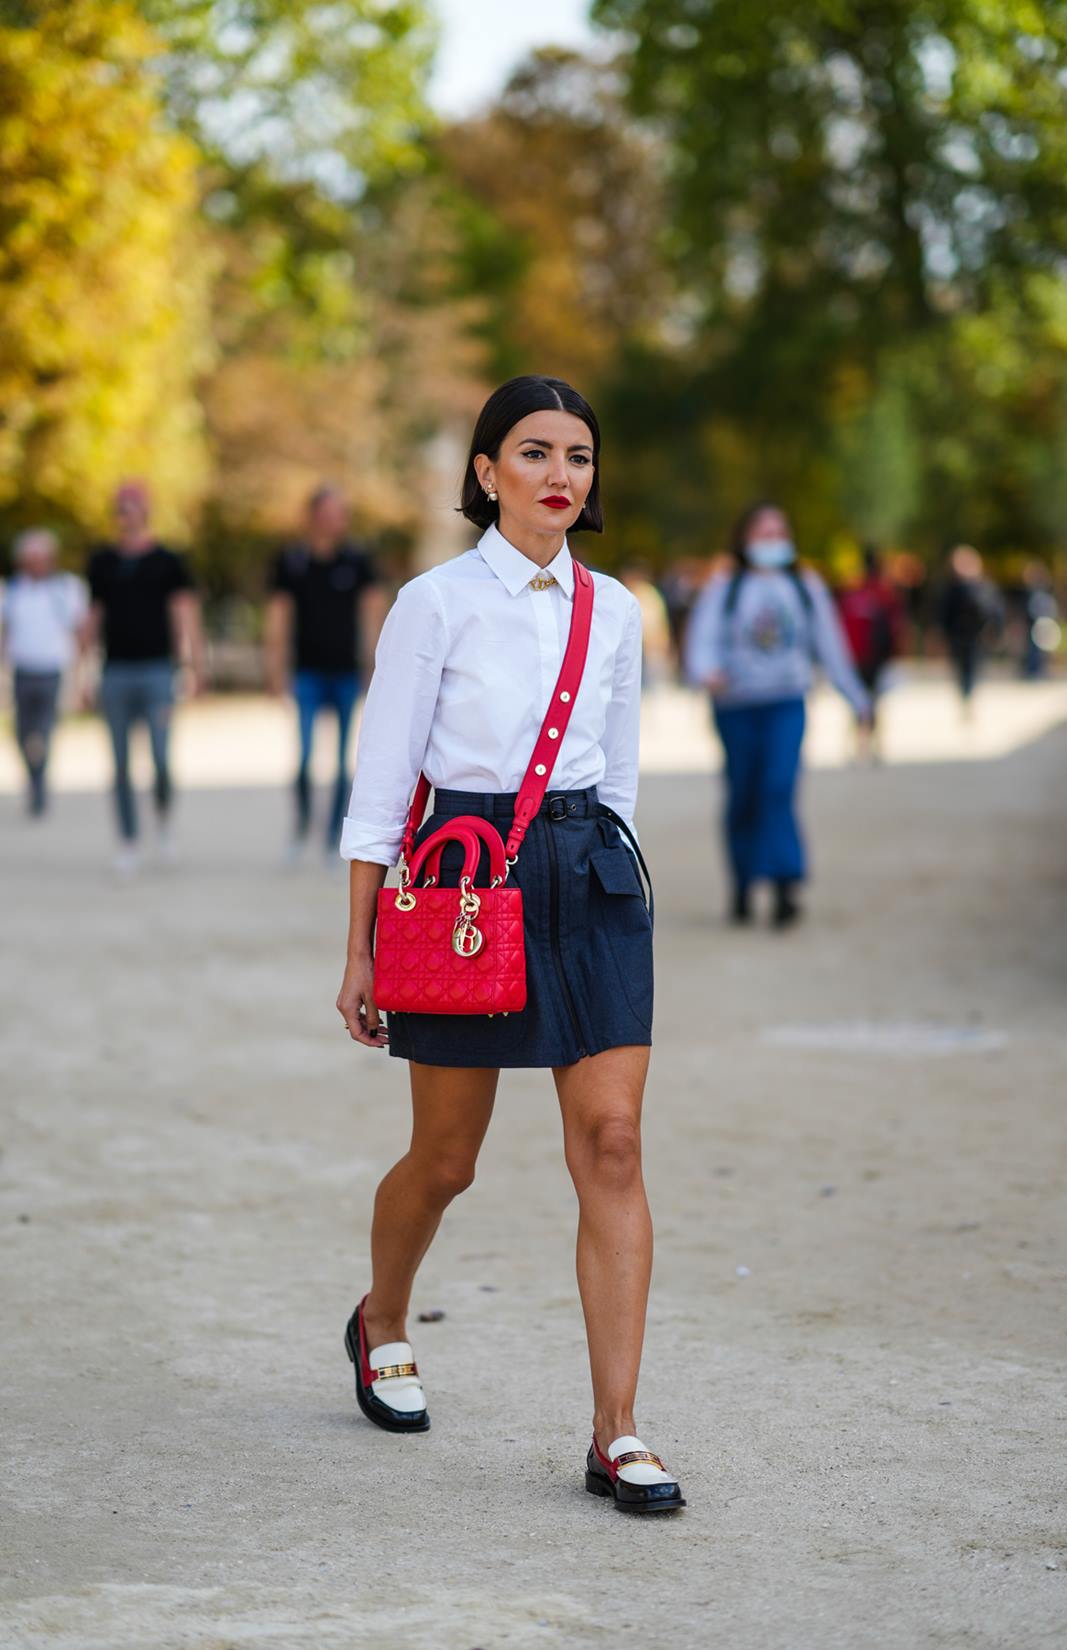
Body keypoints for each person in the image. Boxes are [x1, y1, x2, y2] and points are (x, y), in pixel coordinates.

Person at [335, 375, 684, 1514]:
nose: (558, 475)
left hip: (590, 870)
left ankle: (617, 1432)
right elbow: (384, 785)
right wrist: (359, 948)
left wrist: (620, 880)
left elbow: (620, 769)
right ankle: (381, 1317)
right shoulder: (434, 604)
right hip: (466, 876)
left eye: (577, 457)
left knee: (616, 1144)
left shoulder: (618, 610)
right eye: (533, 453)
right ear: (485, 474)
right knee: (447, 1159)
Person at [683, 501, 870, 928]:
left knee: (778, 785)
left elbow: (831, 646)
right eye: (763, 533)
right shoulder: (725, 587)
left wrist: (857, 699)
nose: (772, 541)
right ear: (745, 539)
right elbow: (701, 642)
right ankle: (743, 882)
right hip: (736, 707)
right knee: (743, 792)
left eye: (778, 532)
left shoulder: (805, 586)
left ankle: (786, 884)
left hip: (786, 702)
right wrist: (706, 672)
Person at [82, 482, 205, 874]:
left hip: (157, 671)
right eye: (121, 507)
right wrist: (82, 675)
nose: (127, 514)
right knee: (118, 763)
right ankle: (128, 839)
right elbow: (93, 620)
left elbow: (184, 616)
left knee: (160, 756)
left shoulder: (168, 561)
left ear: (145, 511)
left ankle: (164, 822)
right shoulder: (102, 562)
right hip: (115, 671)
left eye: (133, 506)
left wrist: (194, 666)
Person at [265, 486, 385, 863]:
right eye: (328, 513)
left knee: (342, 762)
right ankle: (300, 827)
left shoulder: (358, 561)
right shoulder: (293, 562)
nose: (335, 521)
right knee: (303, 757)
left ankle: (334, 833)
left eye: (340, 513)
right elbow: (279, 617)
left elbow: (372, 615)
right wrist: (275, 666)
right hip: (307, 672)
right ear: (313, 516)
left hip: (346, 672)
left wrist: (375, 665)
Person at [0, 529, 87, 815]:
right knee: (22, 733)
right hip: (23, 670)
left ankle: (40, 784)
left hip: (52, 670)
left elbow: (79, 631)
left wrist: (83, 673)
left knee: (45, 730)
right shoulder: (11, 591)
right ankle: (34, 778)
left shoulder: (65, 589)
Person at [836, 547, 906, 761]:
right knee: (872, 701)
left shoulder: (855, 593)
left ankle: (863, 743)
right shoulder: (884, 593)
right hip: (871, 655)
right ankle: (870, 744)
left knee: (861, 700)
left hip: (858, 655)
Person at [938, 545, 1000, 712]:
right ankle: (965, 696)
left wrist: (994, 631)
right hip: (957, 635)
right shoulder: (951, 588)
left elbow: (994, 611)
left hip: (977, 636)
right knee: (961, 670)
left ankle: (969, 696)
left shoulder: (983, 587)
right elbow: (944, 613)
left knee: (973, 668)